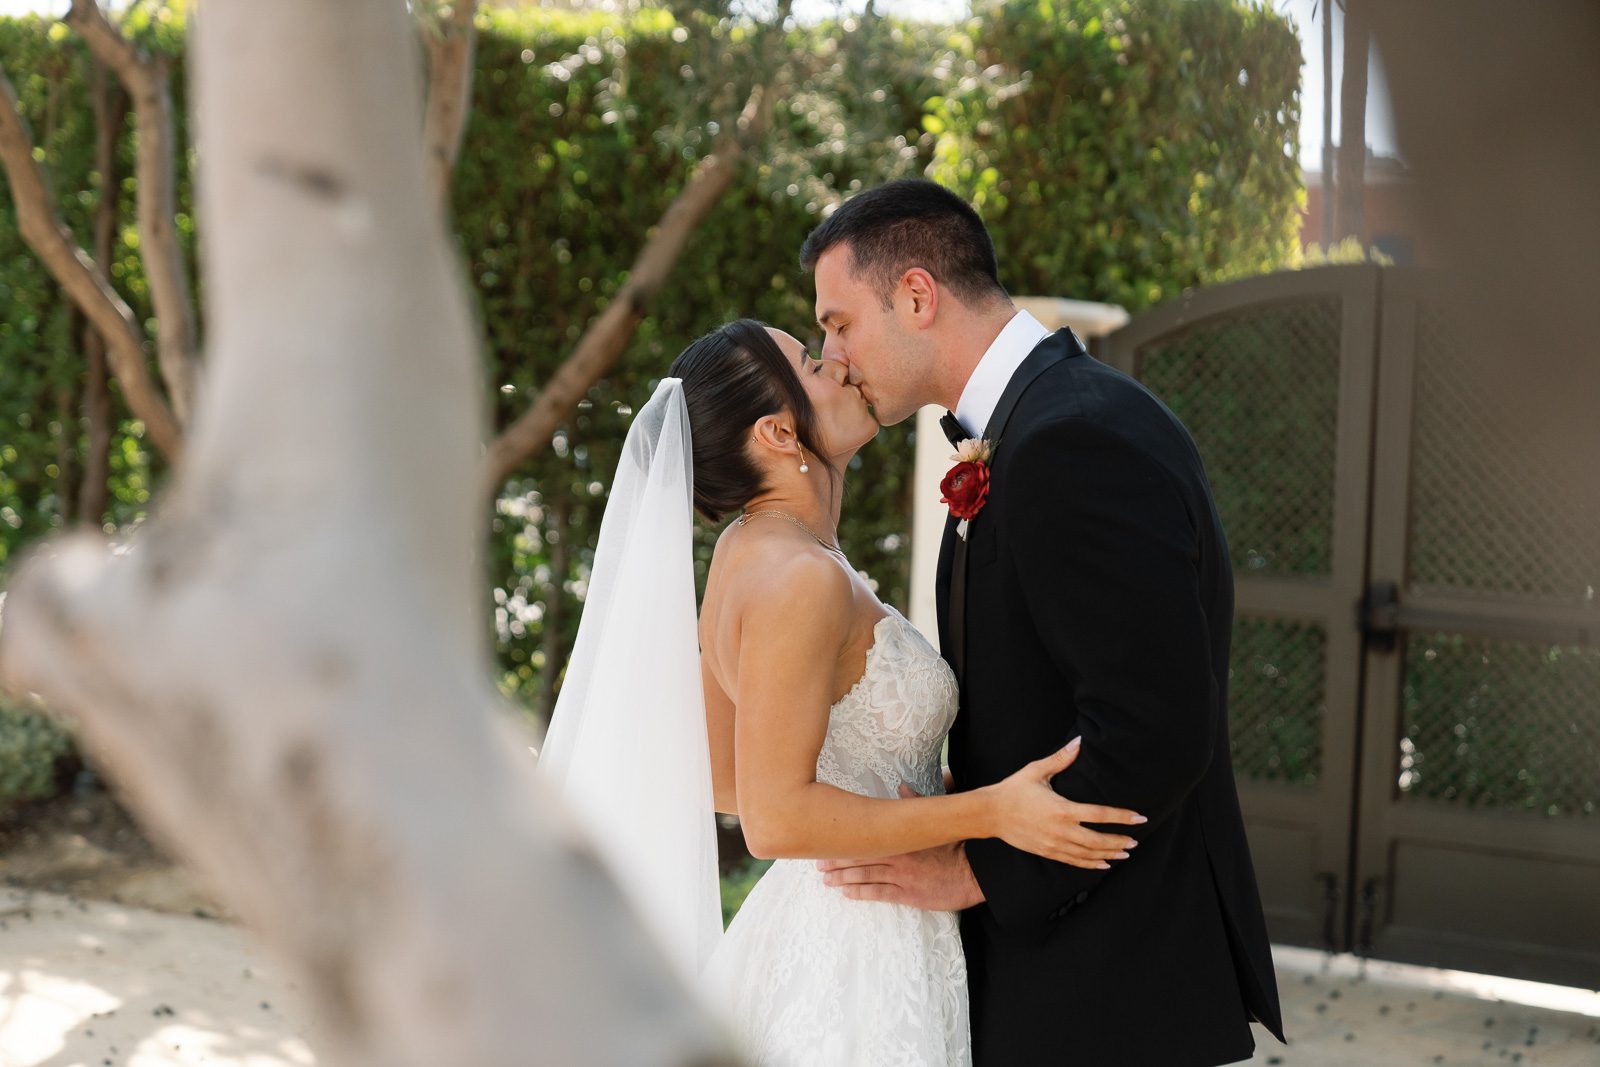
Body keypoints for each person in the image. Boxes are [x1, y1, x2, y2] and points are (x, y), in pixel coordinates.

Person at [539, 318, 1143, 1066]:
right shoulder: (801, 580)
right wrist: (992, 810)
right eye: (810, 361)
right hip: (859, 950)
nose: (838, 362)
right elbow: (773, 819)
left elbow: (725, 775)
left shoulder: (749, 551)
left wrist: (914, 791)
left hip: (830, 918)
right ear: (778, 432)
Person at [802, 178, 1286, 1066]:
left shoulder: (1074, 438)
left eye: (839, 323)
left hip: (1110, 991)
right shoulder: (1037, 422)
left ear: (916, 295)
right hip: (1064, 977)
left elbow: (1153, 731)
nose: (833, 355)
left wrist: (976, 871)